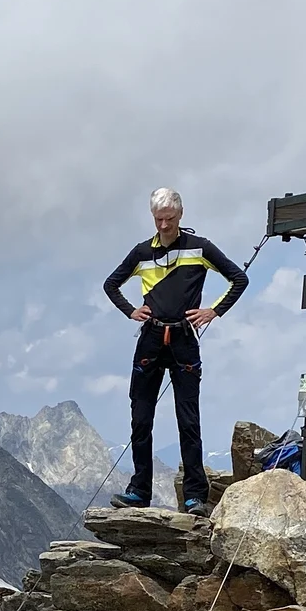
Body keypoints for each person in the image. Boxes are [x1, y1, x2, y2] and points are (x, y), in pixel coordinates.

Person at [102, 188, 249, 513]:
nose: (164, 225)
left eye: (169, 219)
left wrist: (213, 311)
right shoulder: (142, 252)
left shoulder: (200, 247)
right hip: (150, 339)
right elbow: (111, 284)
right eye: (158, 220)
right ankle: (139, 490)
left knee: (188, 419)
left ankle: (195, 495)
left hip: (184, 339)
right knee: (141, 418)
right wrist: (131, 310)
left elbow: (238, 278)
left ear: (180, 216)